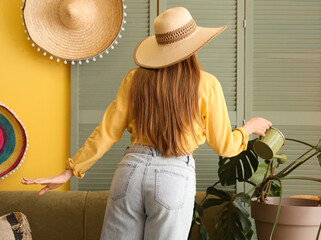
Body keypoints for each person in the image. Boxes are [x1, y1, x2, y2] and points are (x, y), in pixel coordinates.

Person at [22, 7, 272, 240]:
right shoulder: (206, 84)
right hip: (174, 175)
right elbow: (225, 146)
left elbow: (107, 132)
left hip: (130, 170)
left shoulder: (134, 79)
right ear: (193, 46)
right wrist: (248, 128)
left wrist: (71, 169)